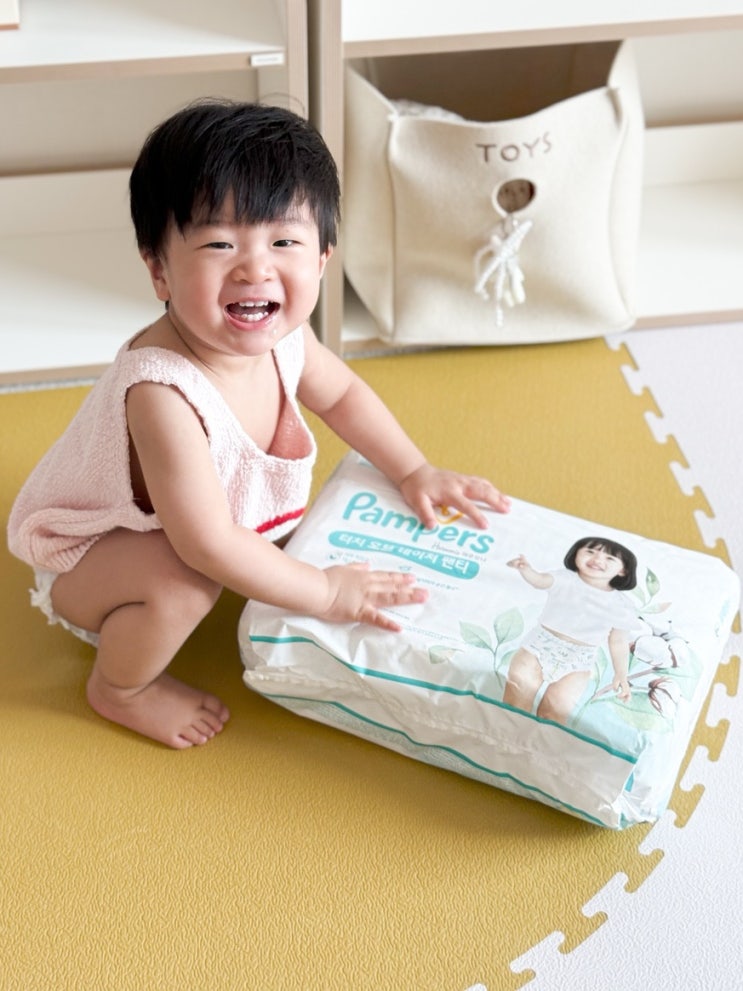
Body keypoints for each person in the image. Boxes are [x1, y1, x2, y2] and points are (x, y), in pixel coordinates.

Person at [7, 100, 511, 750]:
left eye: (284, 242)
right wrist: (323, 592)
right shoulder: (163, 393)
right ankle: (120, 687)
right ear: (159, 269)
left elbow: (343, 395)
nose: (255, 268)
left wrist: (413, 469)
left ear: (322, 257)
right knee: (185, 582)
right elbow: (207, 545)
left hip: (189, 525)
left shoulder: (285, 337)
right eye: (220, 244)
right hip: (91, 559)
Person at [503, 537, 638, 724]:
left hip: (580, 660)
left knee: (555, 713)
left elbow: (618, 641)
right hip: (539, 646)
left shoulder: (622, 605)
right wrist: (526, 569)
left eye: (609, 558)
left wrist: (621, 674)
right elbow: (540, 581)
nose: (597, 559)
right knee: (517, 699)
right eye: (590, 552)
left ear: (623, 570)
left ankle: (537, 741)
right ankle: (506, 733)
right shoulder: (564, 578)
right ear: (576, 554)